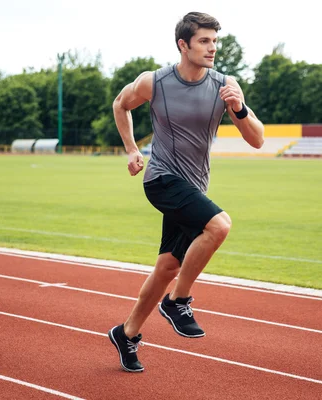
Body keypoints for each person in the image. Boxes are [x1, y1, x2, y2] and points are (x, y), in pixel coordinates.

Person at [108, 11, 264, 373]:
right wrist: (132, 149)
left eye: (215, 41)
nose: (213, 48)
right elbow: (120, 104)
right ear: (183, 45)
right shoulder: (154, 82)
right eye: (204, 41)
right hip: (161, 178)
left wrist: (238, 108)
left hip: (194, 185)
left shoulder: (225, 85)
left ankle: (126, 333)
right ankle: (178, 301)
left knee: (167, 266)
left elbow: (257, 139)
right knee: (219, 226)